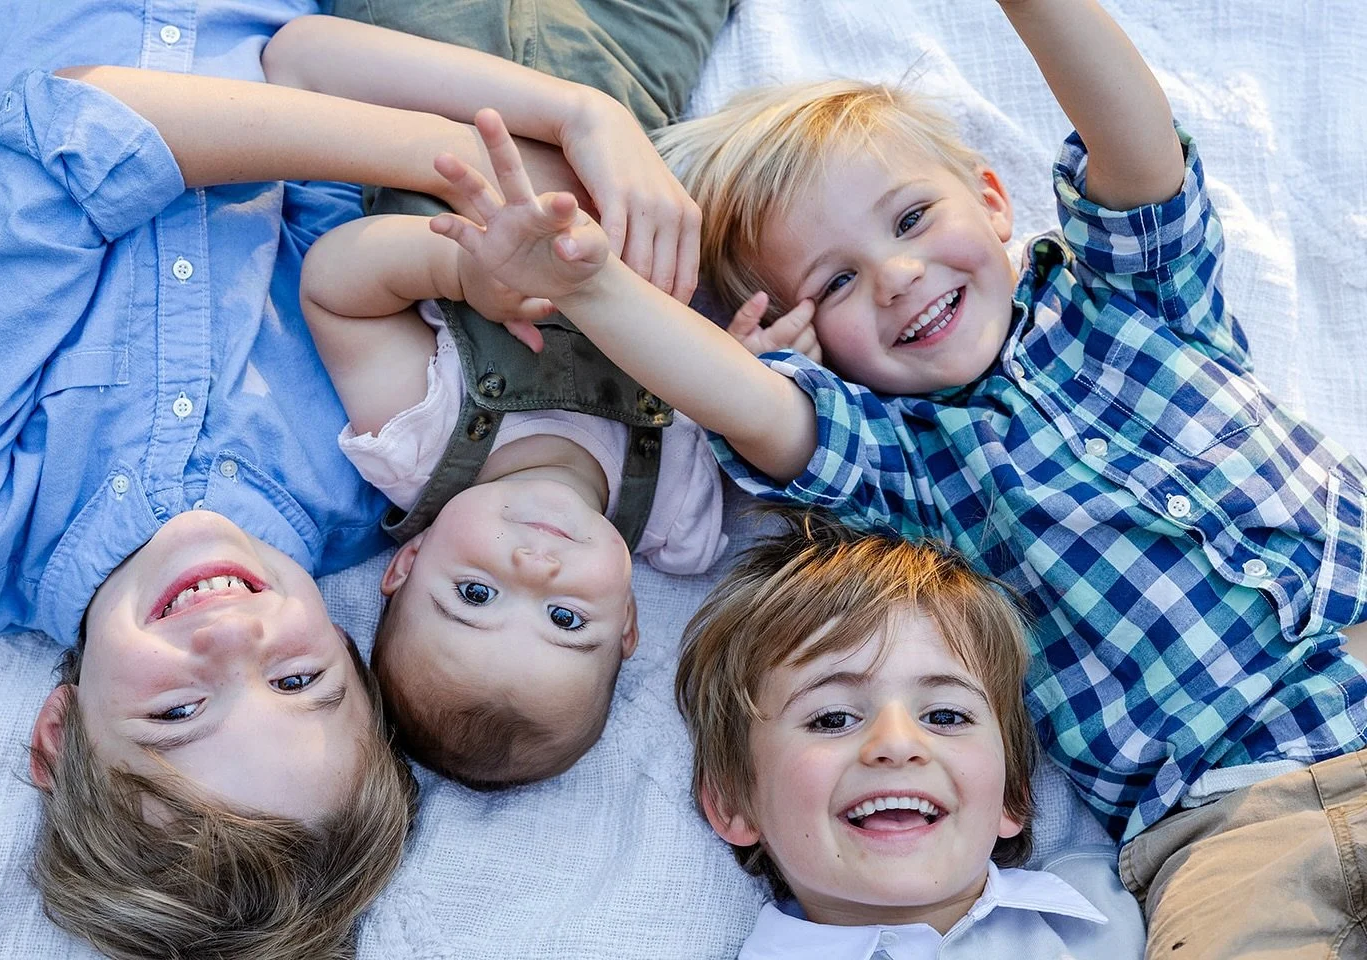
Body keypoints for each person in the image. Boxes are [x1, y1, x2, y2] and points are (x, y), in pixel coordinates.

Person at [421, 0, 1367, 954]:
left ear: (994, 203)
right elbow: (743, 400)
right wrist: (594, 289)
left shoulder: (1132, 300)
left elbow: (1138, 146)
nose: (897, 274)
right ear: (810, 346)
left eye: (913, 217)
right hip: (1225, 820)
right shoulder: (897, 465)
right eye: (832, 282)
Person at [0, 5, 700, 957]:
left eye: (177, 713)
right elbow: (327, 130)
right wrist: (572, 121)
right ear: (357, 653)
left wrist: (515, 134)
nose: (232, 636)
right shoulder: (377, 474)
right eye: (298, 678)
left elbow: (75, 134)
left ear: (58, 734)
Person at [298, 207, 727, 788]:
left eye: (476, 594)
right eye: (565, 617)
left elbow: (335, 290)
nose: (534, 569)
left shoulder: (418, 437)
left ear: (409, 560)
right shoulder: (681, 516)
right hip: (649, 198)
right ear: (627, 618)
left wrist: (459, 270)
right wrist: (756, 360)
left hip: (471, 176)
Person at [674, 511, 1145, 958]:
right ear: (733, 800)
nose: (897, 745)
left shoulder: (1127, 902)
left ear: (1013, 793)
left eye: (945, 716)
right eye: (833, 719)